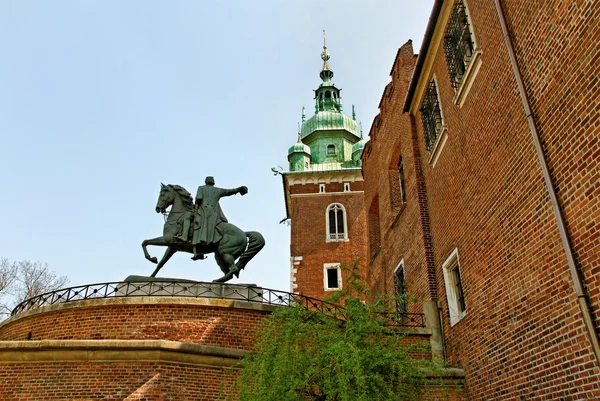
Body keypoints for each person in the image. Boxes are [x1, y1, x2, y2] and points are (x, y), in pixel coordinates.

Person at [191, 176, 247, 260]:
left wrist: (195, 208)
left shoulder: (201, 188)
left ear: (206, 181)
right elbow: (229, 191)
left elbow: (198, 199)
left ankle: (199, 249)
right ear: (213, 182)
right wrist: (239, 189)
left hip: (203, 211)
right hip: (214, 213)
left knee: (197, 225)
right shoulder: (217, 190)